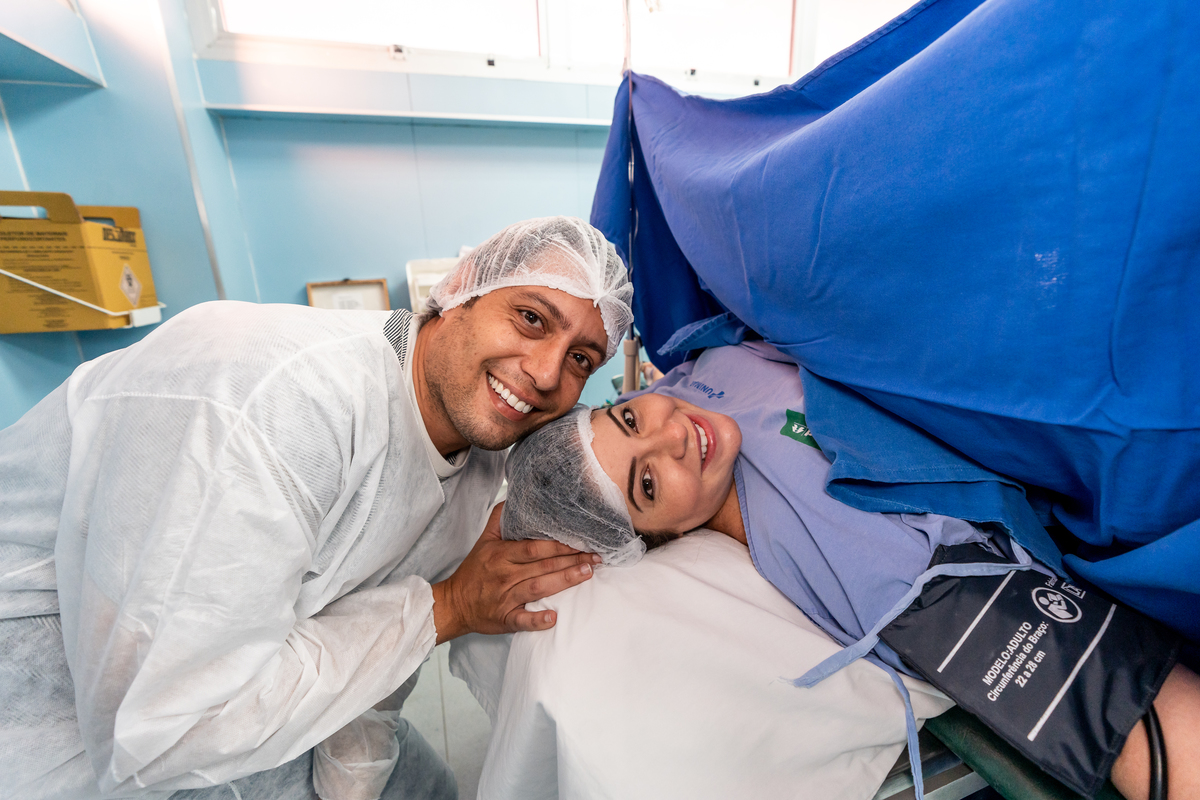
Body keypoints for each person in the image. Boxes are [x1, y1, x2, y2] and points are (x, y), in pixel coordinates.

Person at [0, 216, 633, 800]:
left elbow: (379, 654)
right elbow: (159, 729)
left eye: (581, 359)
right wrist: (449, 607)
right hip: (63, 715)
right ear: (461, 288)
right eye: (531, 318)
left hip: (250, 687)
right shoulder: (274, 403)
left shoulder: (479, 446)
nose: (545, 373)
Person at [501, 338, 1200, 800]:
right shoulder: (861, 570)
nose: (670, 435)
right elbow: (1124, 713)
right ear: (661, 539)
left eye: (628, 421)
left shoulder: (701, 373)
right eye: (648, 485)